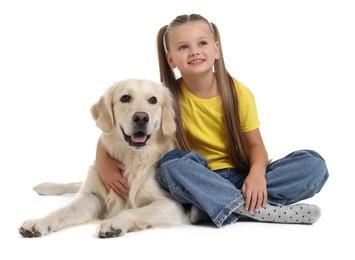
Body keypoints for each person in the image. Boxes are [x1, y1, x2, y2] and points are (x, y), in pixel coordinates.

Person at [96, 14, 329, 227]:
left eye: (202, 43)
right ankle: (253, 209)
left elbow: (256, 147)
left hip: (240, 176)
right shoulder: (164, 99)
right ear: (171, 59)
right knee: (170, 165)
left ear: (216, 49)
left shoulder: (239, 94)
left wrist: (257, 175)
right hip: (194, 176)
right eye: (183, 47)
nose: (194, 51)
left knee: (313, 164)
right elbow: (122, 129)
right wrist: (103, 163)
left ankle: (213, 206)